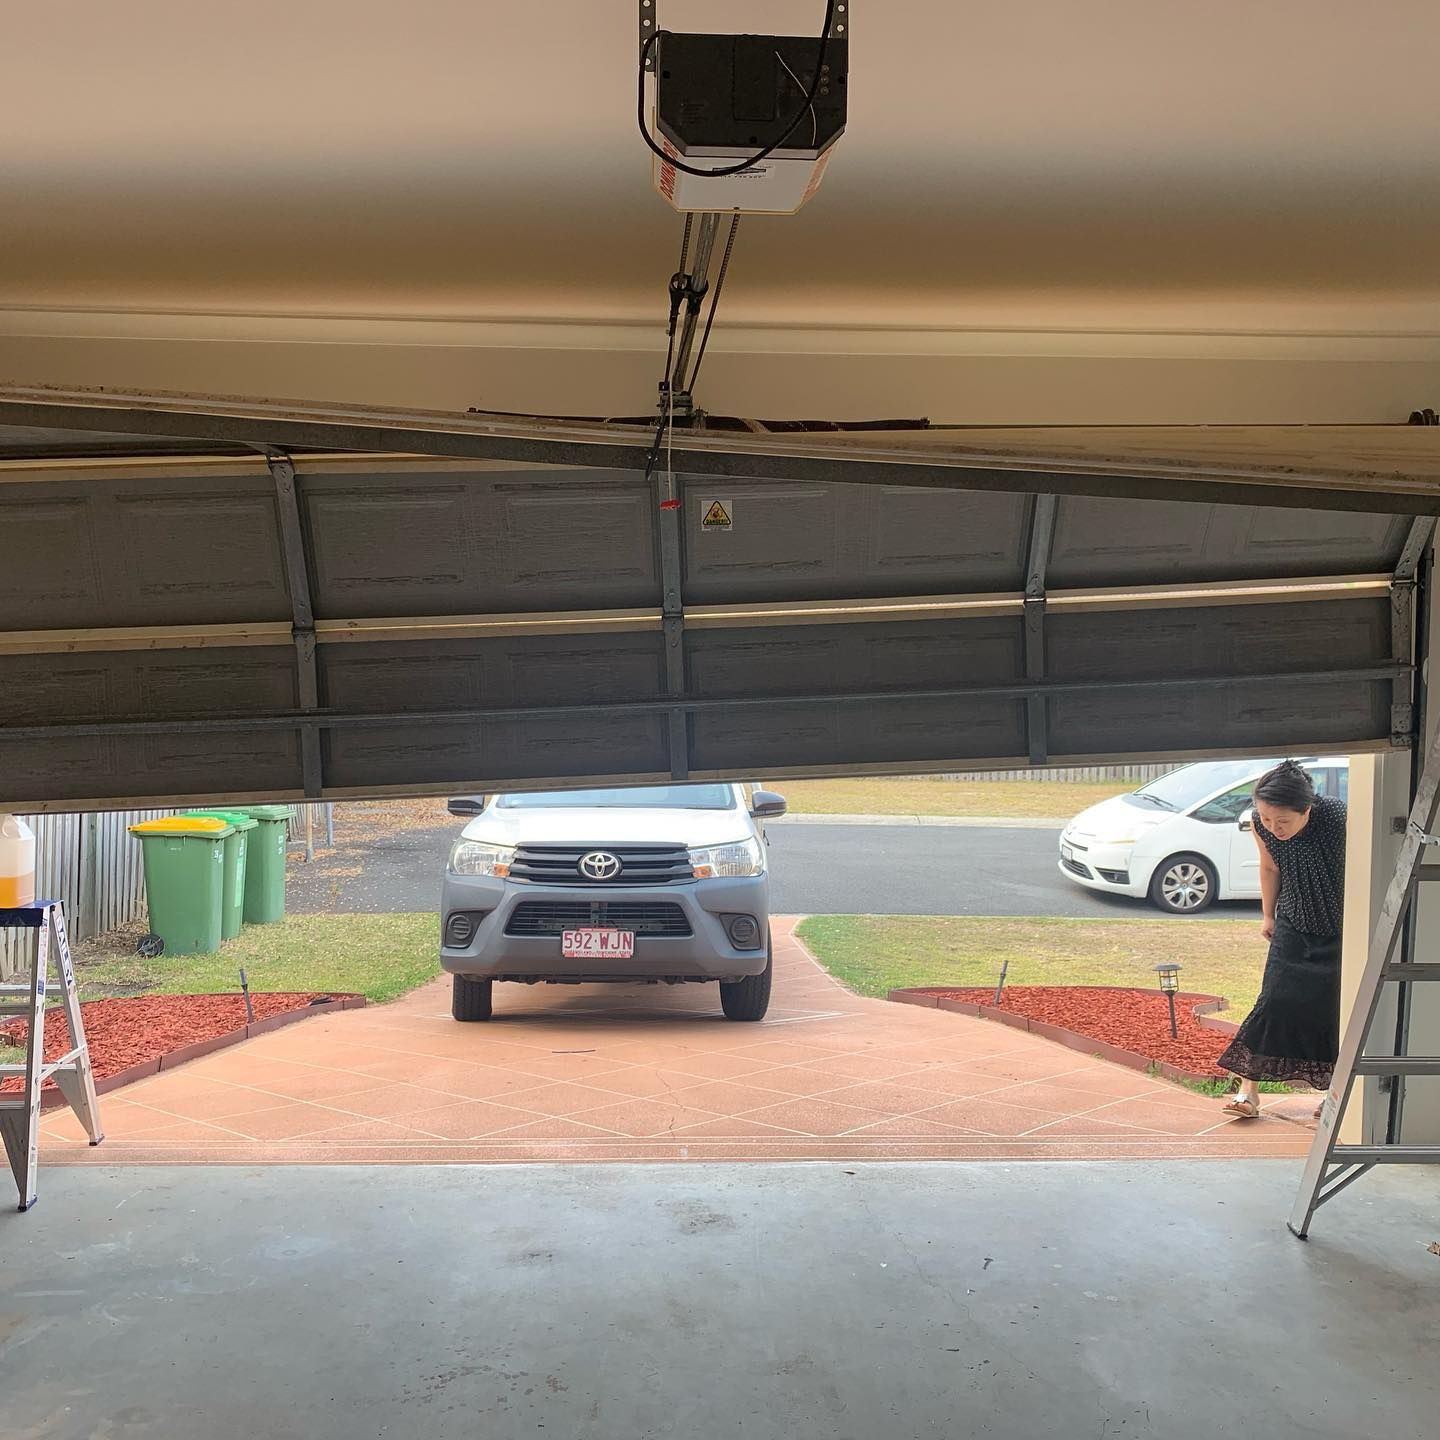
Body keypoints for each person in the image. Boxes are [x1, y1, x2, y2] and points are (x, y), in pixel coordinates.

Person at [1218, 760, 1345, 1119]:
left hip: (1342, 928)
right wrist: (1268, 914)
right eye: (1267, 820)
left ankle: (1334, 1095)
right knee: (1273, 1000)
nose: (1274, 828)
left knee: (1334, 1011)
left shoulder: (1337, 818)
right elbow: (1270, 865)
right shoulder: (1261, 823)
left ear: (1307, 808)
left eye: (1282, 821)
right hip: (1294, 919)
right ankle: (1248, 1093)